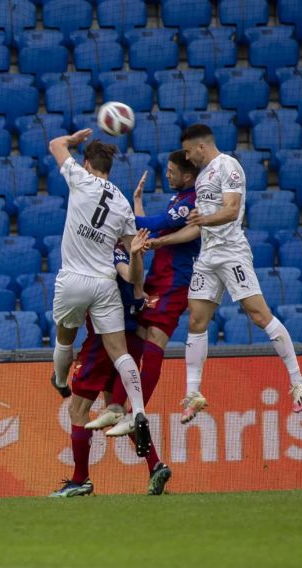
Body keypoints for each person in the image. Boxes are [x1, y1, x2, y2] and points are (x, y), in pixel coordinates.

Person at [174, 124, 302, 422]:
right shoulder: (200, 180)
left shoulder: (229, 166)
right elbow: (201, 222)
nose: (187, 157)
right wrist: (163, 240)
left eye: (187, 150)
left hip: (231, 252)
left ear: (200, 146)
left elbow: (232, 210)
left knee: (259, 315)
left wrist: (205, 219)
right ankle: (194, 393)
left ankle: (298, 380)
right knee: (196, 320)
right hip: (208, 255)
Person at [47, 129, 152, 457]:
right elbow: (135, 271)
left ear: (89, 163)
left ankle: (61, 382)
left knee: (65, 339)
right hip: (106, 284)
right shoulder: (121, 203)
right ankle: (138, 412)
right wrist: (135, 259)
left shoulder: (80, 178)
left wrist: (73, 140)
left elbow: (55, 145)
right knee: (120, 353)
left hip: (74, 279)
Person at [85, 151, 201, 432]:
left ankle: (136, 415)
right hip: (158, 278)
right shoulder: (179, 198)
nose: (168, 175)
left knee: (155, 341)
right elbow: (154, 232)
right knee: (138, 335)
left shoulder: (191, 201)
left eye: (172, 171)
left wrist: (121, 214)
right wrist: (136, 202)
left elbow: (158, 225)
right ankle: (117, 407)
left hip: (175, 281)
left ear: (187, 176)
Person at [51, 235, 173, 497]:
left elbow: (127, 276)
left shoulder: (111, 253)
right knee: (115, 410)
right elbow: (137, 289)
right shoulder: (129, 253)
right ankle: (156, 465)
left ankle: (80, 479)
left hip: (104, 341)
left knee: (78, 409)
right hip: (130, 340)